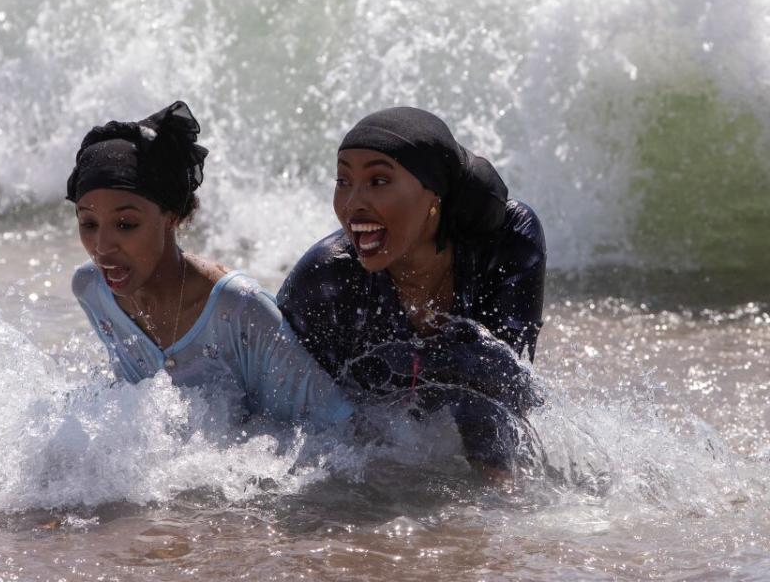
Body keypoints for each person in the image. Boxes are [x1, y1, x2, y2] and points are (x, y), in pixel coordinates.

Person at [277, 106, 546, 470]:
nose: (353, 203)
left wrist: (497, 509)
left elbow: (506, 391)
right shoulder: (326, 278)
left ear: (434, 195)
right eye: (343, 182)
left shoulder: (505, 242)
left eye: (378, 181)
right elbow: (281, 416)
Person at [67, 101, 354, 431]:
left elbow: (337, 428)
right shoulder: (91, 289)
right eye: (88, 224)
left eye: (126, 224)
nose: (102, 247)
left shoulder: (239, 308)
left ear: (171, 217)